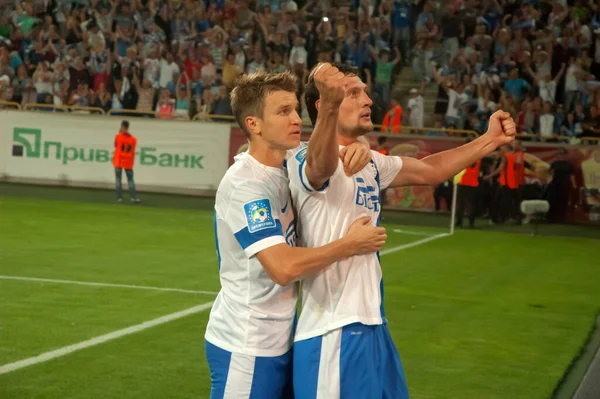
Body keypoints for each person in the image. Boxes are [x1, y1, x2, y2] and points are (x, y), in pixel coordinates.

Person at [288, 63, 516, 399]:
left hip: (371, 325)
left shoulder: (371, 162)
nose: (368, 100)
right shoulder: (304, 158)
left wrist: (489, 140)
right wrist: (332, 105)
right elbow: (320, 168)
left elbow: (429, 170)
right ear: (325, 103)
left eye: (365, 91)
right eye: (354, 93)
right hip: (331, 332)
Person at [204, 70, 386, 399]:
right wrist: (348, 245)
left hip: (283, 338)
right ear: (253, 124)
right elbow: (283, 268)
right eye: (283, 111)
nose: (296, 119)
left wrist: (358, 145)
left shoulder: (290, 158)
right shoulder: (246, 185)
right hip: (247, 345)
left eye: (295, 110)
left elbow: (326, 152)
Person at [112, 120, 140, 203]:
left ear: (122, 127)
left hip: (119, 160)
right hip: (128, 161)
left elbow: (115, 145)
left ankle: (119, 197)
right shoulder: (133, 139)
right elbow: (133, 149)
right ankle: (133, 197)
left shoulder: (118, 136)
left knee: (118, 179)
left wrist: (119, 133)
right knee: (130, 180)